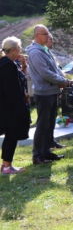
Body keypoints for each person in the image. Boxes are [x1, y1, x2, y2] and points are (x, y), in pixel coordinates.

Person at [27, 25, 72, 164]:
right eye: (44, 34)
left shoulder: (44, 50)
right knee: (42, 125)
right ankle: (37, 156)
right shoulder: (35, 52)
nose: (48, 36)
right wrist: (62, 81)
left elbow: (55, 69)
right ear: (36, 36)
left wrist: (63, 80)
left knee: (50, 123)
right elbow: (45, 73)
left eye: (48, 33)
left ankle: (46, 152)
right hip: (44, 92)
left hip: (51, 91)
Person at [0, 37, 30, 174]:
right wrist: (21, 108)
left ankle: (6, 166)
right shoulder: (8, 65)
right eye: (19, 48)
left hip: (5, 106)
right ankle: (6, 166)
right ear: (13, 50)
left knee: (10, 135)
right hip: (9, 107)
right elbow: (12, 90)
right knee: (11, 135)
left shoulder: (5, 63)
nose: (20, 51)